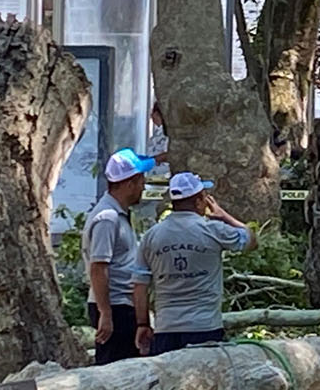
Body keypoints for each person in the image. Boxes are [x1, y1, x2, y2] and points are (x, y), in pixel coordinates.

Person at [133, 171, 258, 356]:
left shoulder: (151, 236)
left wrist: (142, 324)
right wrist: (224, 216)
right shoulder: (213, 230)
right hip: (205, 327)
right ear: (199, 201)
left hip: (166, 328)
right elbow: (251, 240)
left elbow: (139, 285)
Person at [82, 148, 157, 365]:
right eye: (141, 181)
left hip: (123, 304)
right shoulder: (107, 218)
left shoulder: (119, 215)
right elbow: (98, 267)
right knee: (115, 368)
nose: (143, 186)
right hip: (115, 306)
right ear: (129, 184)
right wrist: (105, 313)